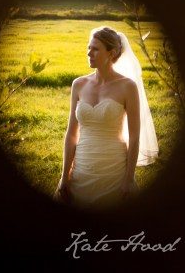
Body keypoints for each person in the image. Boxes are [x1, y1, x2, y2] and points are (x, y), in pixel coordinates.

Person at [54, 26, 158, 209]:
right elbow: (71, 134)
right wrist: (64, 176)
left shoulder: (127, 87)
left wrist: (128, 179)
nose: (89, 53)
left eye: (95, 49)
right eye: (88, 47)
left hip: (114, 168)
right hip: (82, 166)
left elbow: (134, 137)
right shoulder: (78, 84)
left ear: (112, 53)